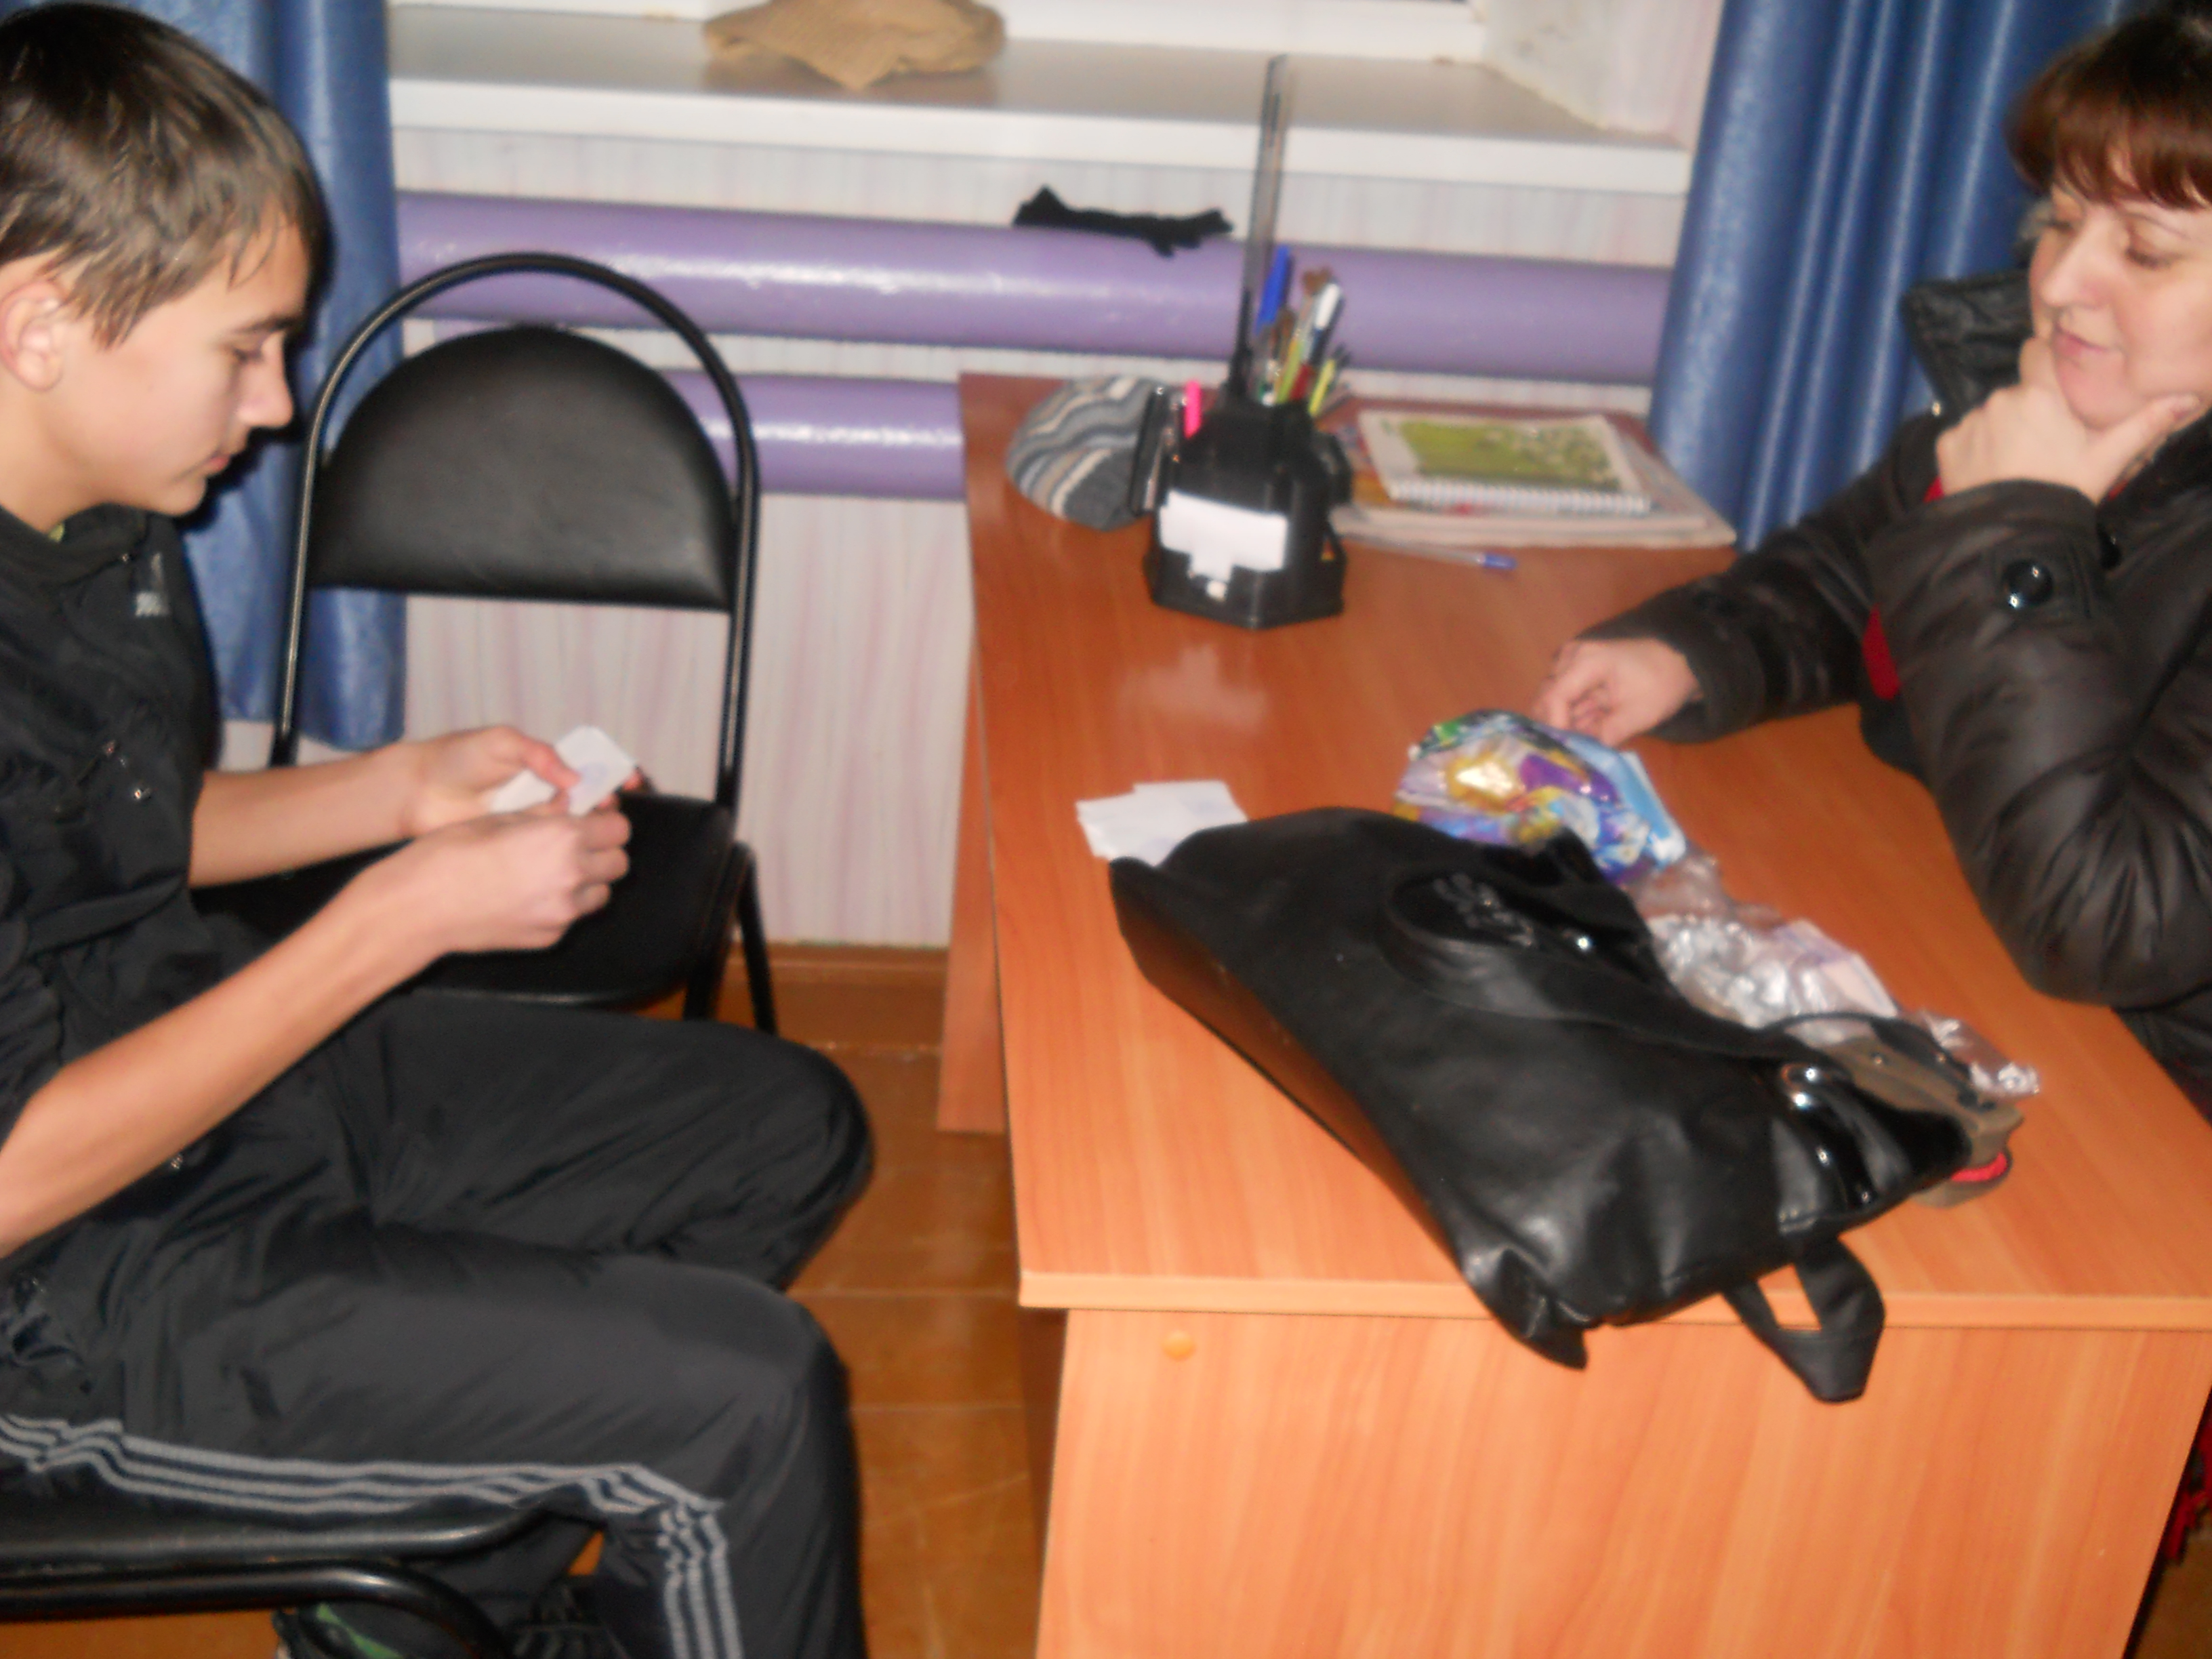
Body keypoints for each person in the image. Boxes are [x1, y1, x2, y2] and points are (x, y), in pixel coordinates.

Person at [0, 8, 872, 1659]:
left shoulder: (95, 511)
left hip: (210, 1080)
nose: (276, 406)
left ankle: (411, 1622)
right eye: (242, 349)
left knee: (790, 1127)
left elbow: (114, 833)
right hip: (55, 1303)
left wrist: (396, 792)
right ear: (42, 323)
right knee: (742, 1402)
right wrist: (392, 919)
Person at [1532, 1, 2212, 1113]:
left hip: (2156, 1091)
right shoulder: (2045, 394)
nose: (2058, 283)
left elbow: (2104, 923)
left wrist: (2015, 533)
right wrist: (1695, 649)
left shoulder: (2041, 449)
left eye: (2145, 249)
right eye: (2061, 217)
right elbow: (1856, 572)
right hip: (1965, 927)